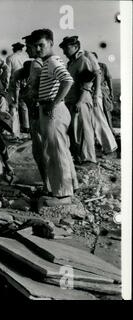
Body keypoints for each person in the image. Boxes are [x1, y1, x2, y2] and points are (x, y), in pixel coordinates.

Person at [31, 28, 77, 205]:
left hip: (53, 111)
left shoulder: (51, 61)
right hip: (50, 109)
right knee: (57, 150)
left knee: (56, 152)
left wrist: (54, 102)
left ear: (50, 43)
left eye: (41, 45)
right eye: (36, 46)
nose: (38, 49)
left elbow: (68, 80)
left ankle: (63, 195)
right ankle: (63, 189)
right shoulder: (49, 61)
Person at [59, 36, 97, 164]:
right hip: (71, 101)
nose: (64, 51)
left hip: (81, 102)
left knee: (83, 131)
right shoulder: (71, 63)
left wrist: (79, 102)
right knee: (74, 131)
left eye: (66, 48)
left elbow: (87, 84)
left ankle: (87, 159)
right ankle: (78, 158)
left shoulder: (83, 61)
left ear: (76, 47)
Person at [22, 34, 49, 192]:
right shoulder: (36, 64)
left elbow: (40, 87)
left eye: (28, 46)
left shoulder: (38, 65)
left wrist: (29, 95)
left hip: (38, 112)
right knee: (41, 150)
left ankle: (48, 185)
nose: (26, 49)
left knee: (41, 151)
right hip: (37, 111)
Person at [6, 42, 30, 133]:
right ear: (22, 49)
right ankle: (26, 126)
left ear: (13, 49)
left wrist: (6, 85)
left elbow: (8, 72)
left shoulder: (10, 57)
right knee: (24, 105)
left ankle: (15, 127)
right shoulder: (26, 57)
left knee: (13, 105)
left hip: (14, 80)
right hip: (25, 81)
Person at [92, 52, 114, 130]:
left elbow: (109, 78)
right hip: (91, 92)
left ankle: (111, 131)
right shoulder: (87, 67)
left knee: (106, 111)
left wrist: (111, 92)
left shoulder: (102, 66)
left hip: (103, 91)